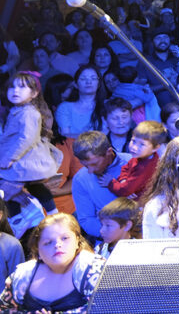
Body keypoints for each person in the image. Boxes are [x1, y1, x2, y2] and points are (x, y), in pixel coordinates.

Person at [0, 213, 105, 314]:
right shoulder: (21, 276)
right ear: (37, 250)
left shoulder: (95, 269)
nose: (57, 245)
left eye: (65, 238)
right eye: (48, 242)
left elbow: (111, 308)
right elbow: (3, 309)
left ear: (77, 241)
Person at [0, 72, 61, 212]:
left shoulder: (29, 112)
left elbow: (26, 137)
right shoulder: (17, 110)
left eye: (22, 87)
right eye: (12, 87)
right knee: (33, 186)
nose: (15, 91)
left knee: (7, 191)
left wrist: (10, 157)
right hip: (20, 158)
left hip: (24, 158)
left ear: (34, 93)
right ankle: (48, 212)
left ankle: (47, 213)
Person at [70, 131, 128, 241]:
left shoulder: (134, 163)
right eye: (85, 166)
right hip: (107, 237)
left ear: (109, 152)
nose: (90, 171)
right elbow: (86, 219)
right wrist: (114, 234)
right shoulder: (80, 179)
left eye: (94, 164)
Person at [108, 120, 167, 199]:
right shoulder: (142, 156)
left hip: (139, 205)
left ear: (155, 148)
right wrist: (123, 180)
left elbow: (123, 191)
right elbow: (125, 168)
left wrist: (110, 182)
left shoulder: (145, 168)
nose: (134, 147)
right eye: (133, 141)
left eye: (142, 144)